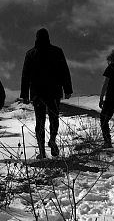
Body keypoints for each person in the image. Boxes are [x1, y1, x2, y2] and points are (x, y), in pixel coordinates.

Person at [20, 28, 73, 159]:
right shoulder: (57, 51)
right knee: (54, 118)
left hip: (38, 93)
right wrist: (68, 89)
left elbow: (25, 75)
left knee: (40, 121)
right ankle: (53, 139)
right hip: (54, 92)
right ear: (48, 38)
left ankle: (42, 150)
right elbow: (64, 71)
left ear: (36, 38)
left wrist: (25, 94)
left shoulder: (30, 54)